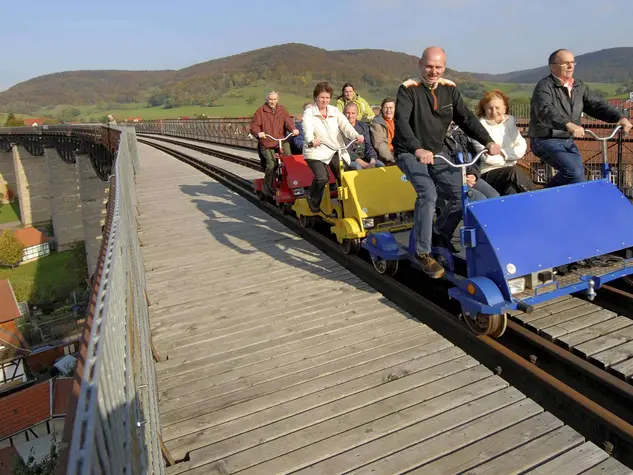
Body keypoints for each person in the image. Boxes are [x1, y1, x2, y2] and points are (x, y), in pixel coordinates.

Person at [393, 46, 501, 279]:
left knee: (462, 193)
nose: (433, 71)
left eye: (438, 67)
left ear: (444, 67)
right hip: (410, 152)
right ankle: (422, 253)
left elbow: (466, 118)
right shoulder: (407, 89)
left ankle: (439, 233)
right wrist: (417, 148)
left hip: (438, 151)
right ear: (420, 65)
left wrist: (488, 140)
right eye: (429, 66)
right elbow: (401, 123)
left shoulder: (449, 89)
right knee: (428, 194)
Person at [529, 48, 632, 188]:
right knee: (574, 172)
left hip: (567, 139)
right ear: (553, 67)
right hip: (546, 138)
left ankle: (564, 205)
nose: (571, 66)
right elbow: (545, 110)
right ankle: (540, 197)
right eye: (566, 63)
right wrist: (568, 124)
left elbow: (597, 105)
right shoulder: (544, 86)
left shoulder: (578, 86)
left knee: (578, 179)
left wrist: (620, 117)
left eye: (572, 62)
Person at [303, 81, 364, 213]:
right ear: (315, 98)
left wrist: (355, 135)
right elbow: (307, 128)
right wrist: (311, 140)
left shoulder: (334, 111)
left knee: (344, 175)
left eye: (327, 97)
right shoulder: (309, 112)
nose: (325, 100)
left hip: (335, 149)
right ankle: (312, 199)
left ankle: (346, 205)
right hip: (316, 150)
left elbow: (345, 125)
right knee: (322, 177)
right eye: (322, 97)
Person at [472, 90, 537, 195]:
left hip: (508, 171)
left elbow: (521, 147)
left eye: (497, 108)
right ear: (484, 109)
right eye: (490, 108)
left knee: (511, 188)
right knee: (514, 172)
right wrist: (509, 158)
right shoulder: (478, 128)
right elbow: (486, 158)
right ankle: (539, 198)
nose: (494, 112)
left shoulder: (510, 123)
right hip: (486, 173)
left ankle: (509, 211)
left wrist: (502, 153)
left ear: (504, 108)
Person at [249, 91, 299, 198]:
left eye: (275, 99)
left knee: (289, 160)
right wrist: (259, 133)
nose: (273, 102)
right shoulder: (260, 111)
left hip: (281, 139)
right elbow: (254, 126)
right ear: (267, 100)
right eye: (270, 99)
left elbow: (288, 121)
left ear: (278, 99)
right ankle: (267, 189)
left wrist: (293, 129)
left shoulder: (282, 110)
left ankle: (293, 184)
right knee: (271, 165)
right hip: (267, 141)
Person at [343, 102, 384, 170]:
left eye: (353, 113)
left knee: (380, 165)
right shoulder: (341, 129)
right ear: (343, 114)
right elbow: (347, 151)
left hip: (364, 157)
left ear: (357, 114)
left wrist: (372, 161)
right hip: (349, 159)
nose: (350, 116)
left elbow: (368, 145)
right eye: (347, 113)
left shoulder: (364, 126)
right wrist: (364, 164)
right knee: (358, 167)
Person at [370, 98, 396, 164]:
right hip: (387, 158)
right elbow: (380, 145)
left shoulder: (399, 121)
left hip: (400, 154)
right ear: (382, 109)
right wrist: (393, 159)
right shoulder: (376, 123)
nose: (388, 110)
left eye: (391, 108)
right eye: (386, 108)